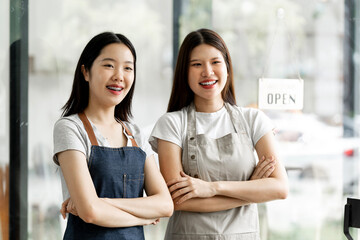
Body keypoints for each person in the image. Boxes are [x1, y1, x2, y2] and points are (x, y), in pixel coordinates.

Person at [149, 28, 289, 240]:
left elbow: (279, 188)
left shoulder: (253, 120)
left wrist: (211, 188)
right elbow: (177, 201)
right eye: (197, 64)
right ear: (184, 72)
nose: (207, 72)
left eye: (215, 62)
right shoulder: (171, 124)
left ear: (227, 67)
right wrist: (251, 190)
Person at [53, 32, 173, 240]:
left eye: (128, 68)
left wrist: (105, 203)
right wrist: (143, 217)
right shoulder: (70, 128)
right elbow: (90, 212)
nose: (119, 75)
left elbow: (165, 205)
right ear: (86, 72)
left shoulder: (136, 134)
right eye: (109, 65)